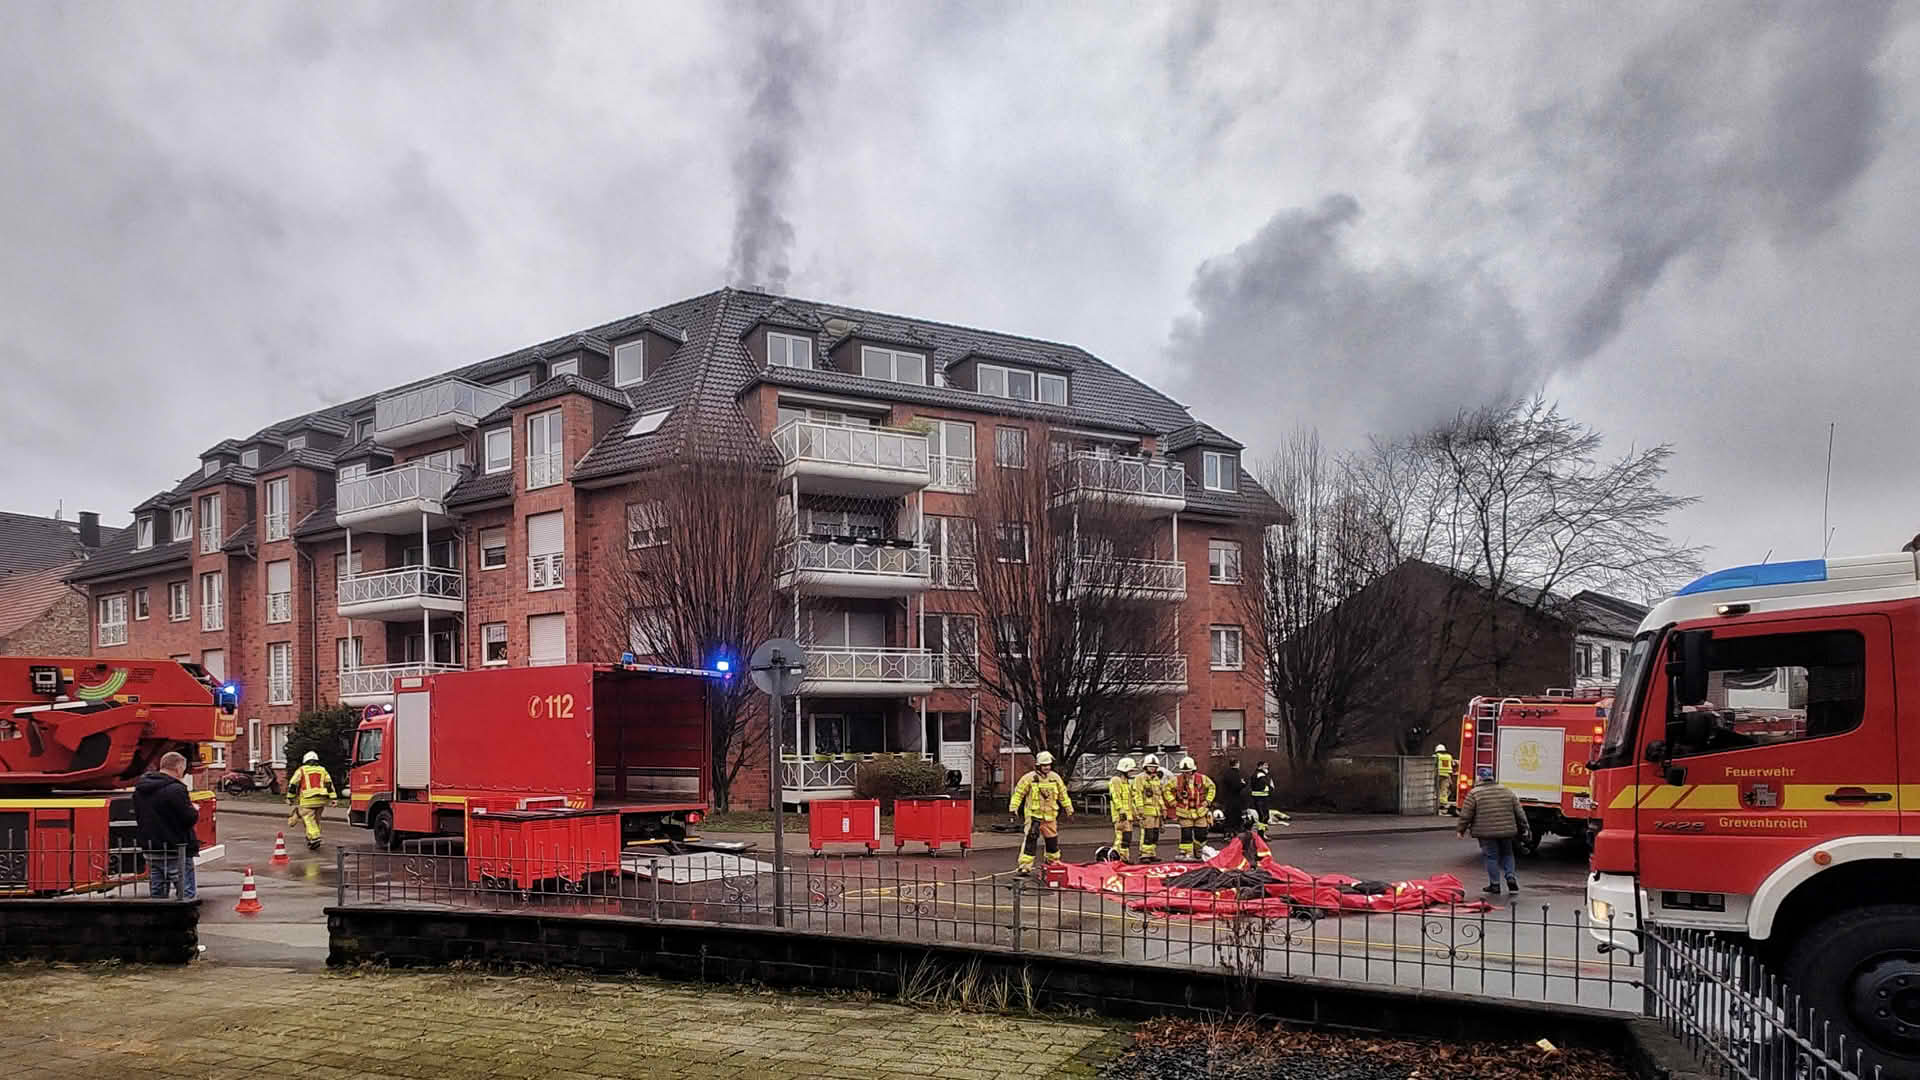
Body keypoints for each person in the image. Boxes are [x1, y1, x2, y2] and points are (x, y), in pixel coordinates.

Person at [133, 751, 199, 899]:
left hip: (152, 848)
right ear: (178, 768)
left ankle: (158, 920)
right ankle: (183, 920)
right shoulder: (176, 789)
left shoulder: (141, 789)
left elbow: (140, 816)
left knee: (158, 894)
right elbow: (188, 818)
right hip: (176, 849)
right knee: (185, 895)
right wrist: (194, 809)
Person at [1458, 765, 1530, 896]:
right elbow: (1519, 811)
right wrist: (1525, 827)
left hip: (1486, 832)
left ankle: (1495, 884)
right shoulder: (1507, 791)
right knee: (1508, 854)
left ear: (1479, 779)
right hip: (1507, 831)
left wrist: (1461, 830)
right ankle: (1510, 876)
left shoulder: (1474, 793)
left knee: (1491, 857)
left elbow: (1466, 814)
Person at [1009, 750, 1072, 872]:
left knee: (1052, 840)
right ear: (1038, 766)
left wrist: (1069, 809)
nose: (1047, 767)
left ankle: (1052, 861)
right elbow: (1018, 794)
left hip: (1050, 817)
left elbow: (1063, 795)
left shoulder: (1055, 778)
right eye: (1044, 765)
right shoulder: (1029, 778)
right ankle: (1025, 866)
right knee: (1031, 840)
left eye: (1049, 765)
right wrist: (1013, 808)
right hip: (1034, 816)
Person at [285, 750, 339, 851]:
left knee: (308, 819)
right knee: (316, 820)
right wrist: (333, 798)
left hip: (308, 799)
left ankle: (314, 837)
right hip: (321, 799)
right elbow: (329, 784)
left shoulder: (301, 770)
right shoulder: (322, 770)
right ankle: (311, 838)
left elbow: (293, 784)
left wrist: (290, 797)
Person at [1168, 756, 1215, 861]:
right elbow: (1166, 789)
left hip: (1200, 811)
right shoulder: (1177, 780)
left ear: (1193, 770)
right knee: (1186, 833)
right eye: (1184, 772)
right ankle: (1186, 854)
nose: (1187, 774)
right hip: (1185, 812)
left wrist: (1208, 800)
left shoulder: (1202, 778)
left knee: (1201, 833)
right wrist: (1172, 801)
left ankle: (1199, 852)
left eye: (1188, 772)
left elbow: (1212, 787)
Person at [1130, 754, 1172, 862]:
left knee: (1155, 834)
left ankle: (1152, 853)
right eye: (1150, 766)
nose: (1152, 768)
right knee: (1147, 833)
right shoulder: (1140, 778)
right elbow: (1137, 794)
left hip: (1156, 811)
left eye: (1154, 766)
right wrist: (1140, 809)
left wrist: (1164, 809)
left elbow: (1159, 796)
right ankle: (1144, 855)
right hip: (1146, 811)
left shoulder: (1156, 779)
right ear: (1145, 767)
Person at [1106, 757, 1139, 863]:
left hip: (1127, 815)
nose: (1132, 773)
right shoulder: (1116, 781)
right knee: (1121, 837)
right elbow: (1115, 797)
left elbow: (1130, 801)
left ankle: (1124, 858)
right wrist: (1120, 810)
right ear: (1124, 770)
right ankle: (1114, 857)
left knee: (1127, 838)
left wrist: (1135, 813)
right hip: (1120, 815)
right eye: (1130, 770)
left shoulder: (1127, 783)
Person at [1218, 758, 1247, 838]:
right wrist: (1243, 784)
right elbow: (1236, 786)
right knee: (1235, 816)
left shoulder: (1226, 773)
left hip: (1227, 798)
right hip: (1235, 799)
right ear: (1237, 764)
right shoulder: (1236, 774)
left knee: (1228, 816)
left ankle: (1227, 833)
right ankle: (1234, 833)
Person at [1247, 763, 1274, 835]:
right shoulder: (1260, 774)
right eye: (1265, 765)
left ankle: (1262, 832)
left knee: (1264, 816)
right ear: (1260, 766)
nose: (1267, 767)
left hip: (1262, 797)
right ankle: (1261, 833)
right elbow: (1266, 784)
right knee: (1263, 816)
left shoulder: (1261, 774)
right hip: (1260, 798)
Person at [1434, 743, 1457, 815]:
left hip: (1438, 774)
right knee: (1444, 789)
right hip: (1446, 775)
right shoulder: (1449, 756)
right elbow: (1453, 764)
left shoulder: (1436, 756)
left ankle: (1436, 803)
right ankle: (1443, 803)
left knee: (1436, 789)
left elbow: (1432, 764)